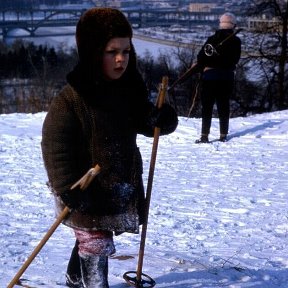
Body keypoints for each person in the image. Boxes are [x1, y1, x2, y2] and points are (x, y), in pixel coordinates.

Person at [41, 7, 178, 288]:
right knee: (95, 242)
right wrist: (68, 186)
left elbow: (145, 120)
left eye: (126, 51)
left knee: (95, 231)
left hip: (117, 182)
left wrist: (159, 119)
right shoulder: (72, 98)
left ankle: (74, 276)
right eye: (111, 51)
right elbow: (55, 146)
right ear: (93, 52)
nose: (121, 59)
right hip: (82, 187)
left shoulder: (128, 90)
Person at [194, 12, 241, 143]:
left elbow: (200, 58)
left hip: (209, 77)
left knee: (207, 107)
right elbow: (235, 60)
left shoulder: (211, 39)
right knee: (223, 105)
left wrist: (209, 64)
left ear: (220, 24)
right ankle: (223, 135)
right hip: (226, 78)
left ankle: (204, 136)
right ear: (232, 25)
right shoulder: (236, 41)